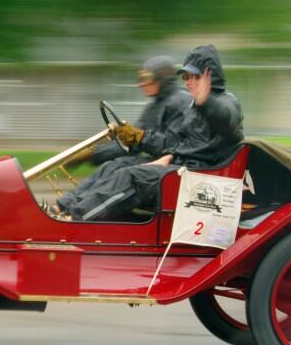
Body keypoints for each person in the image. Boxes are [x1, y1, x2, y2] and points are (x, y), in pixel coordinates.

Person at [57, 44, 243, 222]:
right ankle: (65, 207)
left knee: (130, 177)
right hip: (180, 167)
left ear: (209, 77)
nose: (188, 82)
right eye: (185, 77)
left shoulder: (225, 102)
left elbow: (227, 122)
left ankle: (74, 219)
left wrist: (206, 103)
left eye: (194, 76)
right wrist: (168, 158)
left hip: (198, 178)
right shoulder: (192, 106)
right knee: (116, 166)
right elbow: (183, 143)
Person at [54, 55, 191, 214]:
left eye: (147, 78)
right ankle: (63, 206)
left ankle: (75, 212)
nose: (141, 83)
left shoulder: (180, 102)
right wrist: (93, 154)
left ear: (164, 79)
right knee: (113, 165)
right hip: (159, 162)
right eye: (140, 78)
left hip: (175, 168)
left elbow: (172, 147)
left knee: (121, 167)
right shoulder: (154, 106)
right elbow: (130, 146)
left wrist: (140, 137)